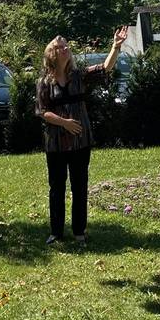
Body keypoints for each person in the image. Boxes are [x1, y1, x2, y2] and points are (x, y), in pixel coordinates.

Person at [36, 27, 128, 246]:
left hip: (81, 141)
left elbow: (105, 68)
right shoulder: (44, 82)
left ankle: (79, 232)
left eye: (67, 46)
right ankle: (56, 232)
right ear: (52, 52)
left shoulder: (79, 76)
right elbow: (42, 111)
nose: (66, 49)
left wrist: (115, 46)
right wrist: (65, 123)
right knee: (56, 187)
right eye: (61, 47)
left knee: (80, 186)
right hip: (56, 143)